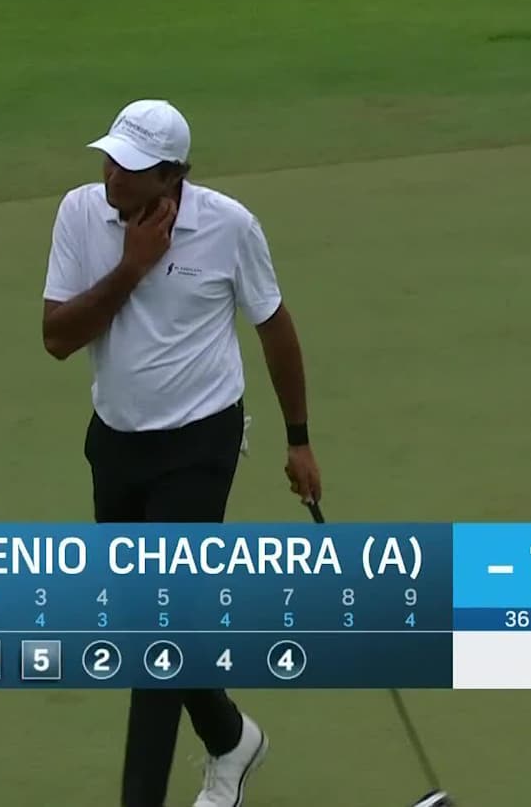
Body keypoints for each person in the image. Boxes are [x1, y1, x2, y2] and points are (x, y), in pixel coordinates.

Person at [41, 98, 323, 807]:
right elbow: (57, 337)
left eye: (132, 167)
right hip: (115, 445)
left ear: (174, 177)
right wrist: (133, 268)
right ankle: (231, 737)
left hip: (201, 442)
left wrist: (298, 439)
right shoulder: (80, 213)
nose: (113, 175)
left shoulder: (228, 226)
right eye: (109, 158)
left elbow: (274, 326)